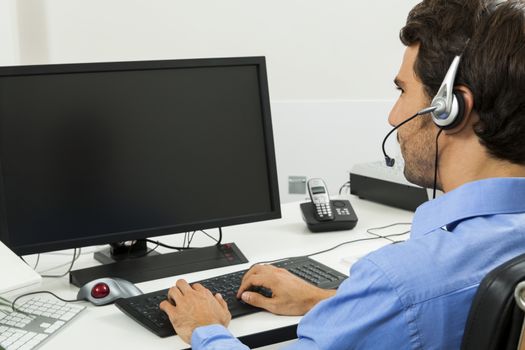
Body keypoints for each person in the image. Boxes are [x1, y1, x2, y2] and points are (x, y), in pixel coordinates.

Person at [159, 0, 525, 348]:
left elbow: (410, 300)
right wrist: (331, 301)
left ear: (451, 108)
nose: (393, 117)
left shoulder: (400, 282)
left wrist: (206, 329)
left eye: (402, 91)